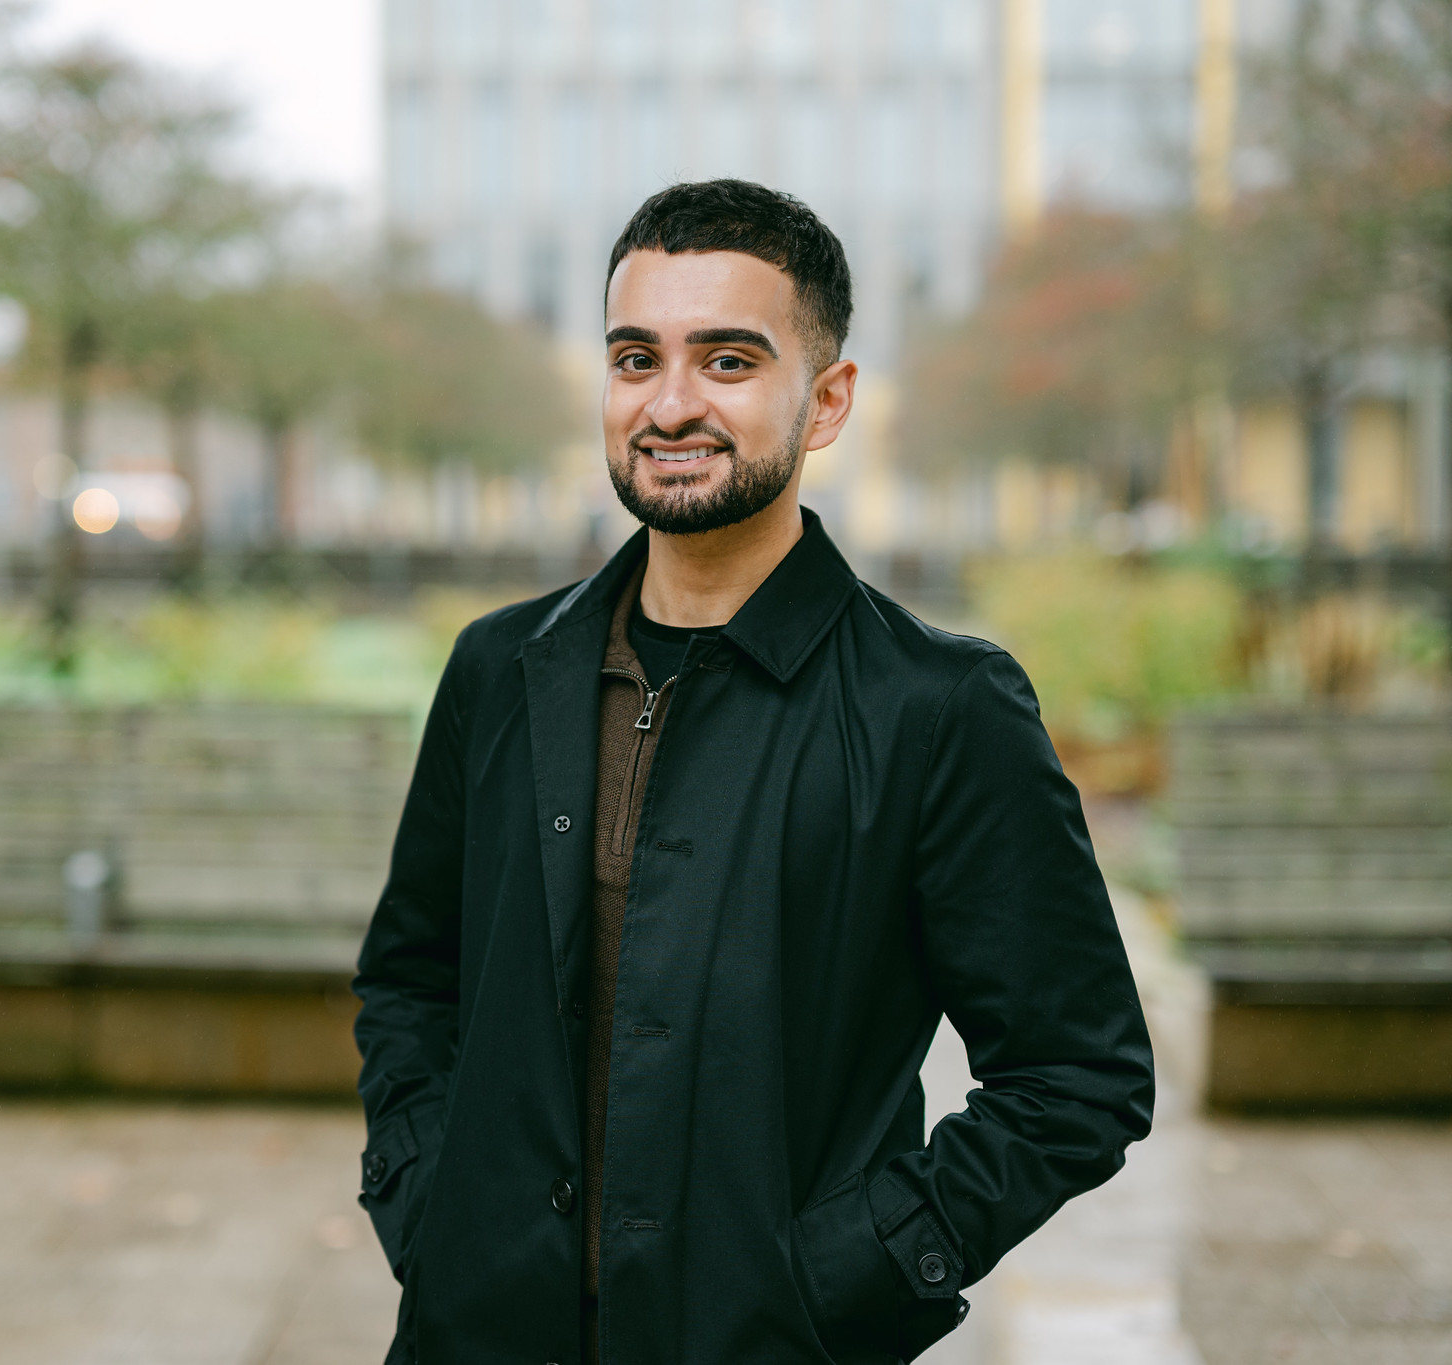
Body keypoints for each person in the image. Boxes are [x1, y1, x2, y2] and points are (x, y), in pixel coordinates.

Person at [350, 179, 1155, 1365]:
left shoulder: (938, 708)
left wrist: (849, 1276)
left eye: (726, 361)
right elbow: (411, 981)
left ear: (825, 401)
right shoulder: (499, 668)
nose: (669, 403)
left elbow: (1075, 1075)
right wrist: (425, 1200)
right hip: (474, 1333)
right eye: (635, 358)